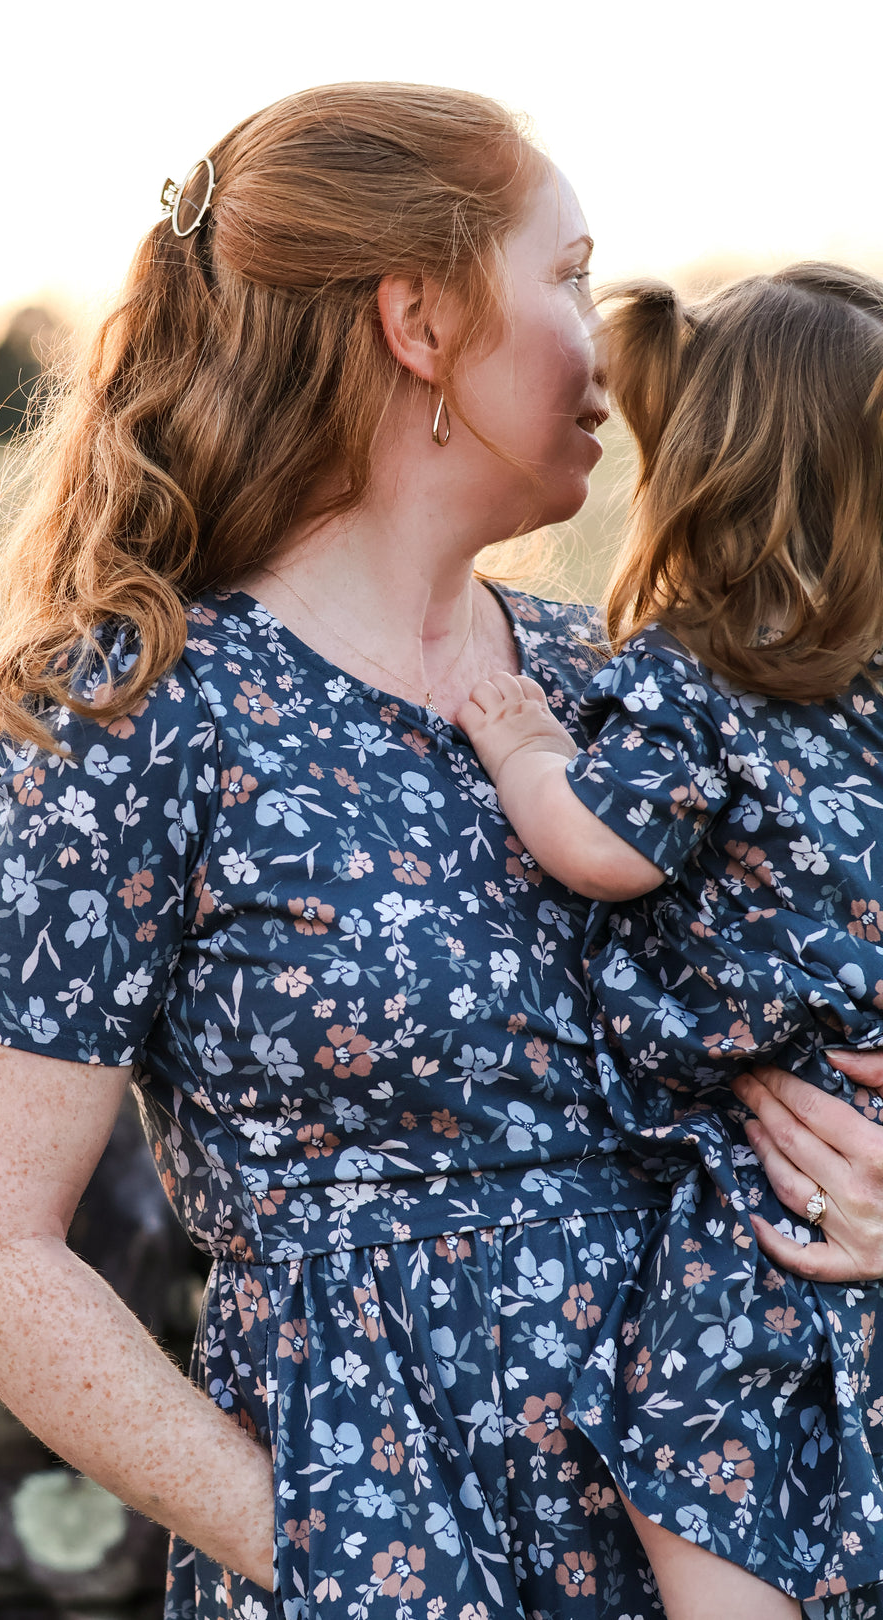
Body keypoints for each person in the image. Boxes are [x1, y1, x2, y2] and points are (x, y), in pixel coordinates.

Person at [0, 84, 883, 1620]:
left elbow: (823, 991)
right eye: (565, 275)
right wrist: (335, 1554)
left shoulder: (621, 682)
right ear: (419, 319)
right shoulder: (146, 711)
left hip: (749, 1539)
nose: (607, 343)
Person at [460, 267, 883, 1614]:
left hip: (766, 1173)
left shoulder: (694, 677)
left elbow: (599, 847)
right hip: (847, 1132)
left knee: (705, 1452)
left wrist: (526, 745)